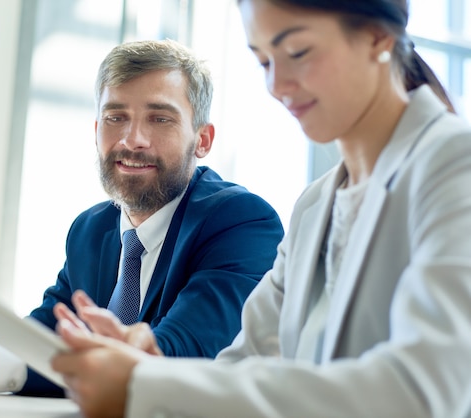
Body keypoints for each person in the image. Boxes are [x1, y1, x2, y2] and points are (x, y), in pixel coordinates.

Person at [48, 1, 471, 417]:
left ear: (378, 36)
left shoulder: (456, 165)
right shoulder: (315, 204)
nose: (278, 85)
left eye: (298, 53)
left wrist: (143, 384)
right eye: (264, 61)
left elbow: (421, 389)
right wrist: (144, 360)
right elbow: (242, 364)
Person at [0, 39, 284, 396]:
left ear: (203, 139)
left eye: (160, 119)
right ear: (96, 129)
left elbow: (181, 356)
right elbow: (39, 338)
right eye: (116, 117)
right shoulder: (90, 229)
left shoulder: (241, 221)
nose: (132, 140)